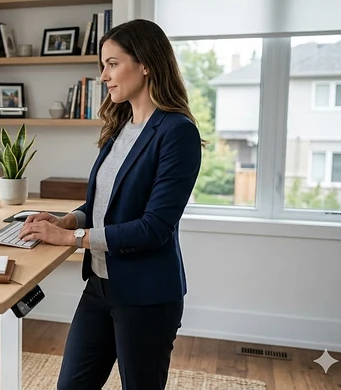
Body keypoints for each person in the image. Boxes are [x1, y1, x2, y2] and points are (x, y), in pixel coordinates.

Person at [18, 19, 203, 390]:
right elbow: (101, 203)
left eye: (112, 64)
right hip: (100, 286)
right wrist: (68, 220)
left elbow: (154, 229)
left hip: (147, 294)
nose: (104, 75)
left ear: (146, 63)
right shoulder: (120, 125)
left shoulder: (177, 132)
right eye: (103, 65)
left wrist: (70, 239)